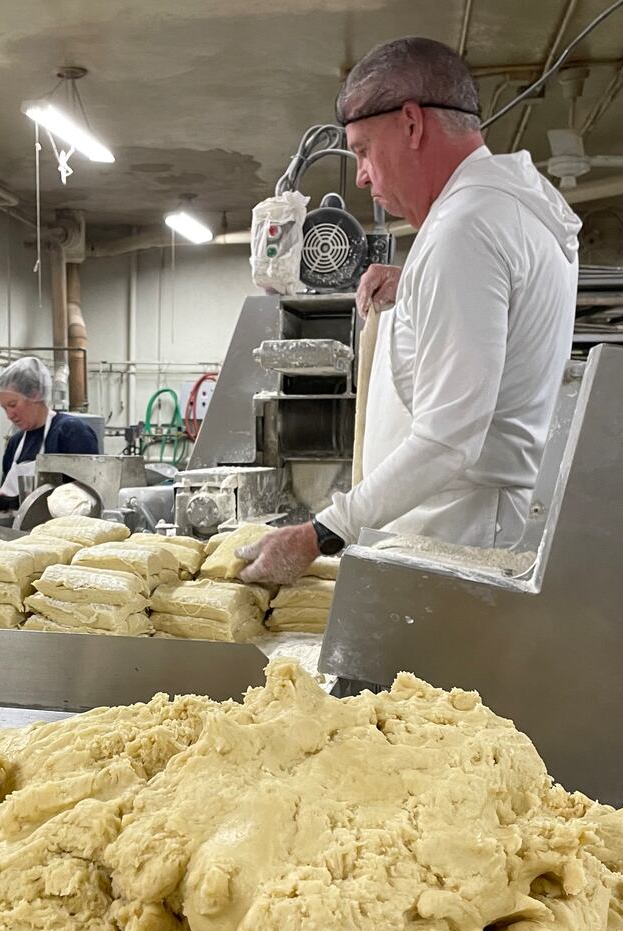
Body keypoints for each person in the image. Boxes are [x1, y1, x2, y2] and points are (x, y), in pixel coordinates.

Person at [240, 36, 579, 584]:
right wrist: (418, 284)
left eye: (363, 150)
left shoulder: (464, 231)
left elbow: (448, 440)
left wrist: (317, 534)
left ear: (412, 125)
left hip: (452, 533)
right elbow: (509, 311)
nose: (361, 176)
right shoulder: (511, 205)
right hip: (468, 520)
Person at [0, 356, 100, 515]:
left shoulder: (70, 431)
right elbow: (8, 494)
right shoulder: (15, 443)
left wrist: (18, 501)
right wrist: (1, 500)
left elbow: (87, 494)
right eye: (5, 408)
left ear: (35, 394)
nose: (9, 415)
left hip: (64, 534)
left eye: (13, 404)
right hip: (22, 534)